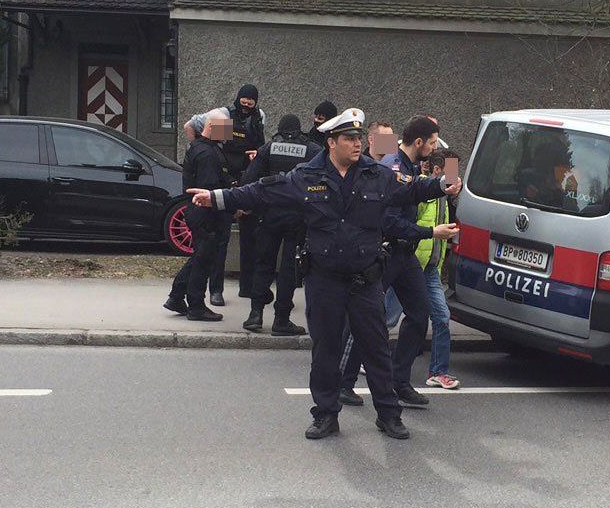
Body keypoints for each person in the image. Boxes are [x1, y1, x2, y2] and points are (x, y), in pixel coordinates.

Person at [186, 108, 458, 441]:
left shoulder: (377, 174)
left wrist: (443, 185)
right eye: (349, 138)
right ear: (331, 142)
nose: (357, 144)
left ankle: (388, 414)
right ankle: (326, 414)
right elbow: (260, 191)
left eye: (359, 138)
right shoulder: (306, 176)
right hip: (324, 279)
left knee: (376, 349)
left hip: (365, 279)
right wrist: (215, 198)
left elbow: (413, 189)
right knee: (326, 351)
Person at [336, 116, 458, 410]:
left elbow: (424, 189)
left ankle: (399, 381)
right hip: (386, 253)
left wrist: (444, 187)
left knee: (419, 313)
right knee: (367, 318)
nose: (434, 148)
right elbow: (389, 221)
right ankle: (342, 383)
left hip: (407, 254)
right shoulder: (393, 167)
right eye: (432, 143)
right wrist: (431, 232)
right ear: (419, 142)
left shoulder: (412, 167)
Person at [183, 85, 267, 305]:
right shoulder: (224, 116)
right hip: (220, 178)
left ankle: (247, 287)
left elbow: (260, 146)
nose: (246, 104)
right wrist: (196, 149)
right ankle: (215, 290)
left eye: (250, 101)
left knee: (247, 238)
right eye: (244, 100)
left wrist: (256, 156)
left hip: (244, 179)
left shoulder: (259, 117)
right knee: (219, 240)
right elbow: (189, 126)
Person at [241, 113, 312, 335]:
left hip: (269, 214)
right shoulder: (311, 150)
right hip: (297, 216)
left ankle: (255, 315)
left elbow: (249, 179)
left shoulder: (268, 148)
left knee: (263, 263)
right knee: (289, 269)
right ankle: (281, 320)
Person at [164, 109, 231, 323]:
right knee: (204, 260)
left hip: (199, 212)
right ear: (211, 127)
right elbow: (209, 188)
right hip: (206, 213)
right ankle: (196, 306)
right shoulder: (207, 153)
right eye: (225, 128)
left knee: (200, 257)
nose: (228, 132)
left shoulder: (203, 147)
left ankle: (176, 297)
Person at [418, 145, 460, 391]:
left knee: (442, 317)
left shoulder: (445, 195)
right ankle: (357, 356)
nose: (456, 178)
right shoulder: (421, 189)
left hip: (431, 266)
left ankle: (438, 372)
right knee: (386, 316)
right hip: (411, 265)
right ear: (437, 171)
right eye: (452, 172)